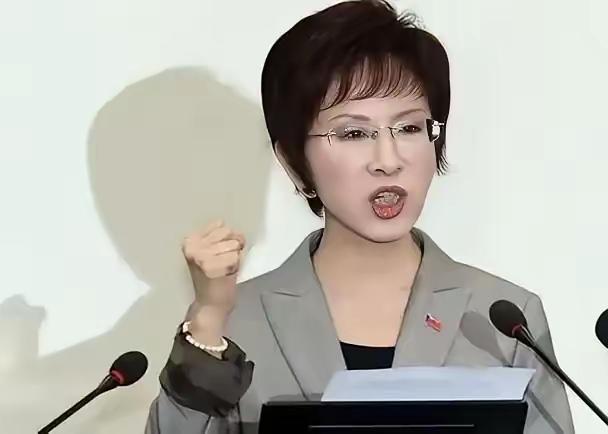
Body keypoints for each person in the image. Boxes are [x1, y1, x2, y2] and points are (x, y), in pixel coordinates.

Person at [145, 1, 575, 433]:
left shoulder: (504, 320)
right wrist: (208, 318)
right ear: (294, 162)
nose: (388, 160)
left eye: (409, 128)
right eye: (354, 133)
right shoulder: (238, 322)